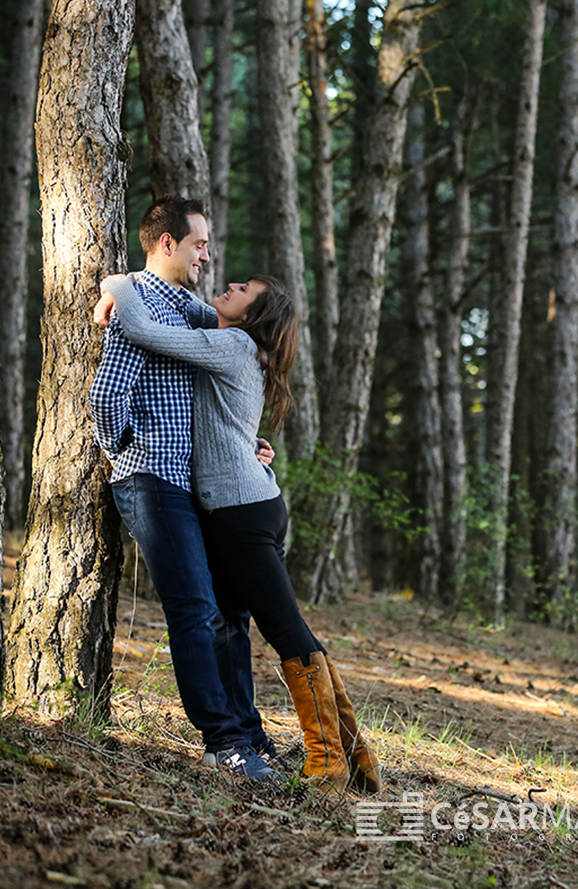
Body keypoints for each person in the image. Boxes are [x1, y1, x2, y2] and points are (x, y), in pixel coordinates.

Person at [96, 269, 383, 795]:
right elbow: (183, 306)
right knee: (243, 622)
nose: (230, 287)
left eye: (244, 291)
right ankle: (355, 755)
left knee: (286, 632)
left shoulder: (231, 345)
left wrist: (115, 284)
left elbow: (145, 330)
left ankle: (328, 762)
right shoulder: (236, 340)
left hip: (243, 513)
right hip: (246, 504)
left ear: (252, 316)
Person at [88, 198, 280, 781]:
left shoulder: (193, 311)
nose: (207, 255)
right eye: (198, 244)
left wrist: (248, 446)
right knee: (195, 609)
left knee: (226, 612)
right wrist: (129, 452)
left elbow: (225, 390)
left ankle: (247, 730)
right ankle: (223, 741)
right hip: (151, 479)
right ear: (166, 243)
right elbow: (105, 395)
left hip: (194, 486)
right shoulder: (139, 304)